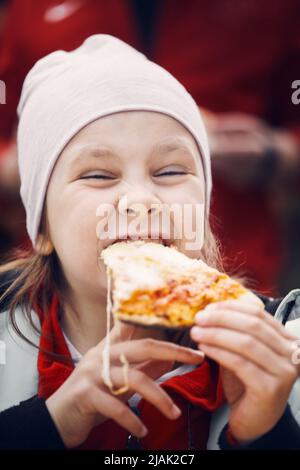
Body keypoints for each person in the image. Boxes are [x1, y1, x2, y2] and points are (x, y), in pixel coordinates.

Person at [0, 34, 299, 450]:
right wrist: (52, 423)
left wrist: (267, 433)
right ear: (43, 230)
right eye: (98, 176)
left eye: (171, 172)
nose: (140, 200)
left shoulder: (285, 346)